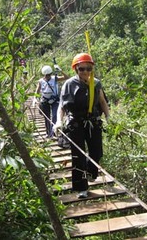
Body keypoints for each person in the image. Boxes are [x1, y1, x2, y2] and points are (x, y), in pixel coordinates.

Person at [54, 53, 110, 199]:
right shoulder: (69, 84)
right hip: (76, 124)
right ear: (76, 69)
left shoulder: (96, 83)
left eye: (88, 68)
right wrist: (59, 121)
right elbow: (62, 106)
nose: (85, 72)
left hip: (93, 122)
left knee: (96, 152)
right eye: (82, 69)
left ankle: (91, 172)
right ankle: (81, 187)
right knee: (77, 155)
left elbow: (102, 102)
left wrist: (109, 117)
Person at [34, 64, 69, 138]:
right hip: (45, 100)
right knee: (47, 117)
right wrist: (35, 98)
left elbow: (66, 77)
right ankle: (48, 133)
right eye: (46, 75)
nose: (48, 76)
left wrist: (60, 70)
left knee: (54, 116)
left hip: (54, 100)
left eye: (49, 75)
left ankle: (53, 132)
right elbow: (37, 90)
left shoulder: (55, 78)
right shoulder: (41, 81)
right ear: (44, 75)